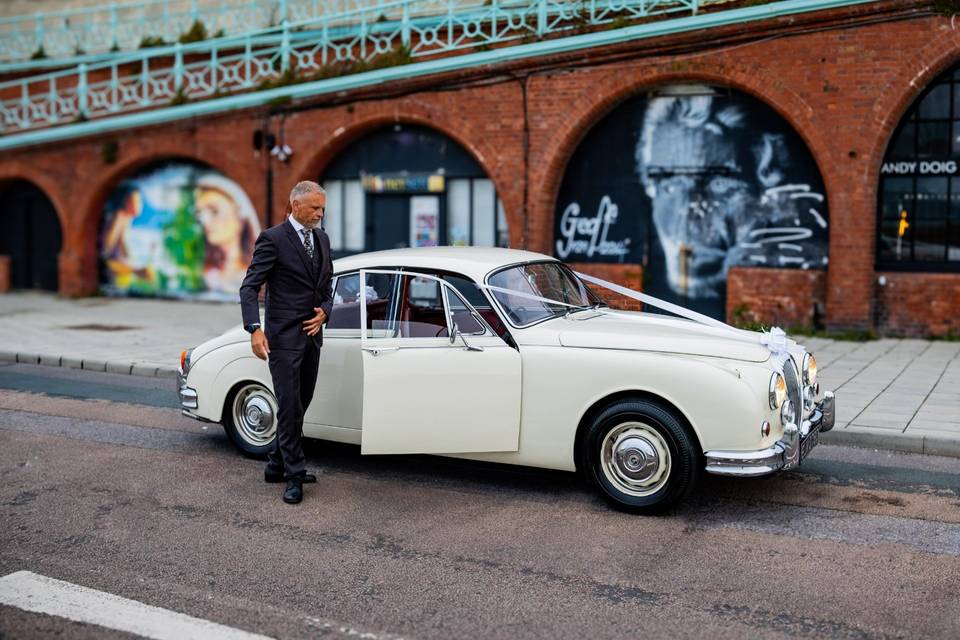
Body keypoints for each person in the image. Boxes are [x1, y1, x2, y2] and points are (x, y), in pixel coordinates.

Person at [239, 181, 334, 504]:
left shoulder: (321, 238)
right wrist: (254, 328)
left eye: (322, 208)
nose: (320, 214)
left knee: (301, 403)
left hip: (312, 338)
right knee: (290, 407)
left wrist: (325, 312)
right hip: (282, 339)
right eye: (315, 208)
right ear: (295, 205)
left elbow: (327, 286)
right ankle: (294, 474)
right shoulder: (273, 239)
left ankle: (276, 463)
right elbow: (249, 287)